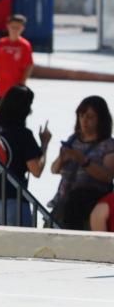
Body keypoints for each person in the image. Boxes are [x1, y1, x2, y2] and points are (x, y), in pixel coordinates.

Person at [0, 86, 51, 227]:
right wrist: (45, 145)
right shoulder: (23, 134)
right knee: (23, 246)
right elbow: (36, 170)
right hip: (13, 201)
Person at [49, 96, 114, 230]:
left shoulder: (108, 145)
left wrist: (83, 161)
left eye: (90, 117)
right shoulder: (73, 140)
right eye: (81, 115)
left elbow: (107, 176)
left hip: (89, 206)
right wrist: (62, 159)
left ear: (100, 120)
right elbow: (54, 169)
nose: (84, 120)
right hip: (63, 202)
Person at [0, 14, 33, 102]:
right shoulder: (1, 43)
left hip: (16, 87)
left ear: (22, 28)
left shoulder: (25, 45)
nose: (15, 30)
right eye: (13, 27)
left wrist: (23, 82)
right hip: (1, 87)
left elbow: (29, 65)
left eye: (18, 27)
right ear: (8, 26)